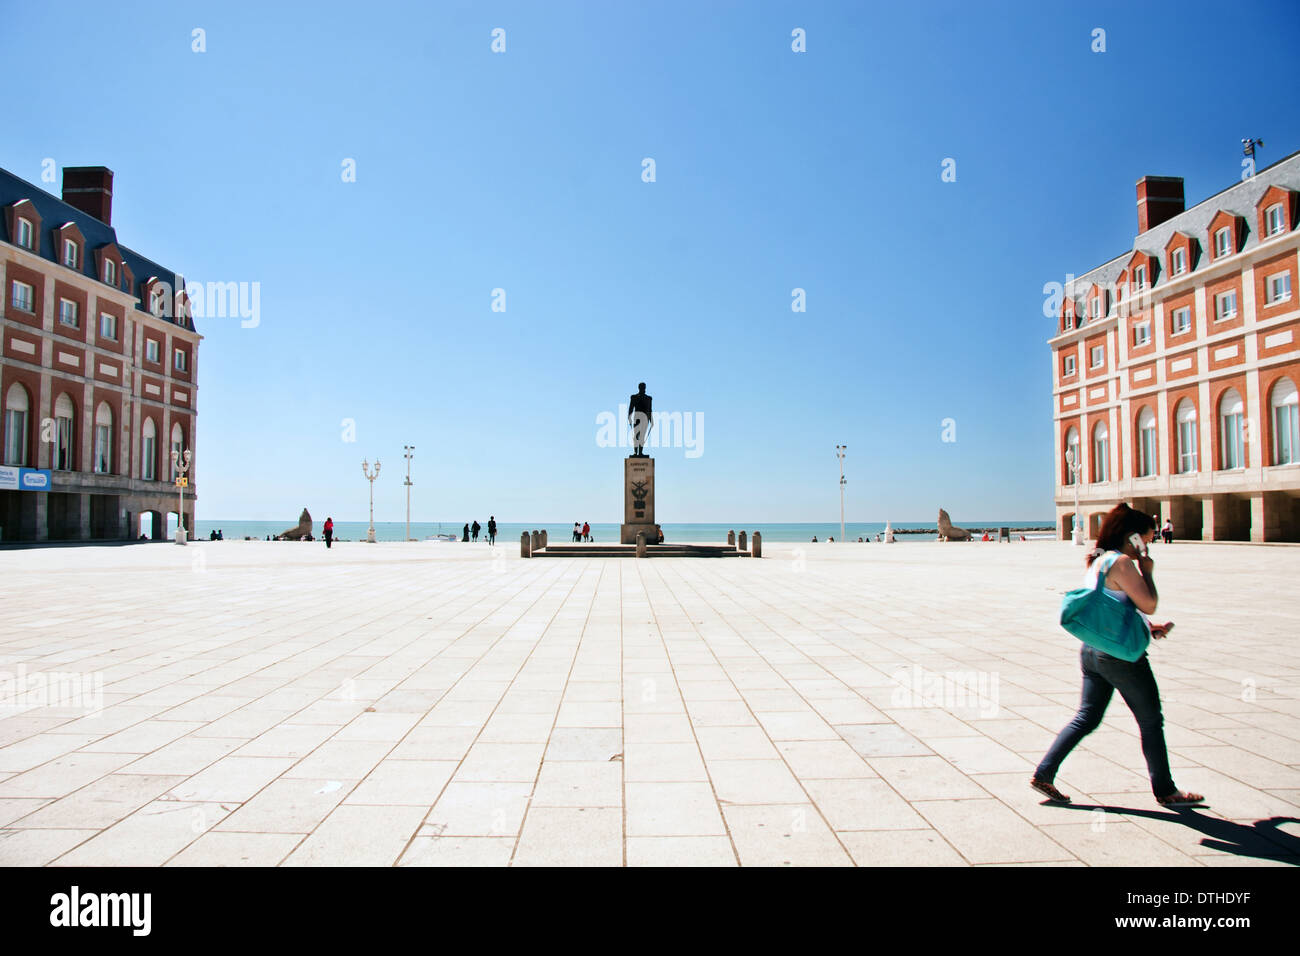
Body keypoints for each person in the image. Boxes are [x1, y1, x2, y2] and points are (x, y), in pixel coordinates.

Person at [1031, 503, 1204, 808]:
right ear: (1133, 537)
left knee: (1087, 717)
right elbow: (1148, 603)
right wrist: (1148, 572)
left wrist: (1148, 628)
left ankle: (1044, 774)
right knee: (1151, 721)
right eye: (1147, 540)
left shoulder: (1099, 560)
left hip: (1092, 651)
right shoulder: (1123, 563)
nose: (1148, 546)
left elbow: (1112, 609)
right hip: (1120, 658)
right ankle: (1166, 790)